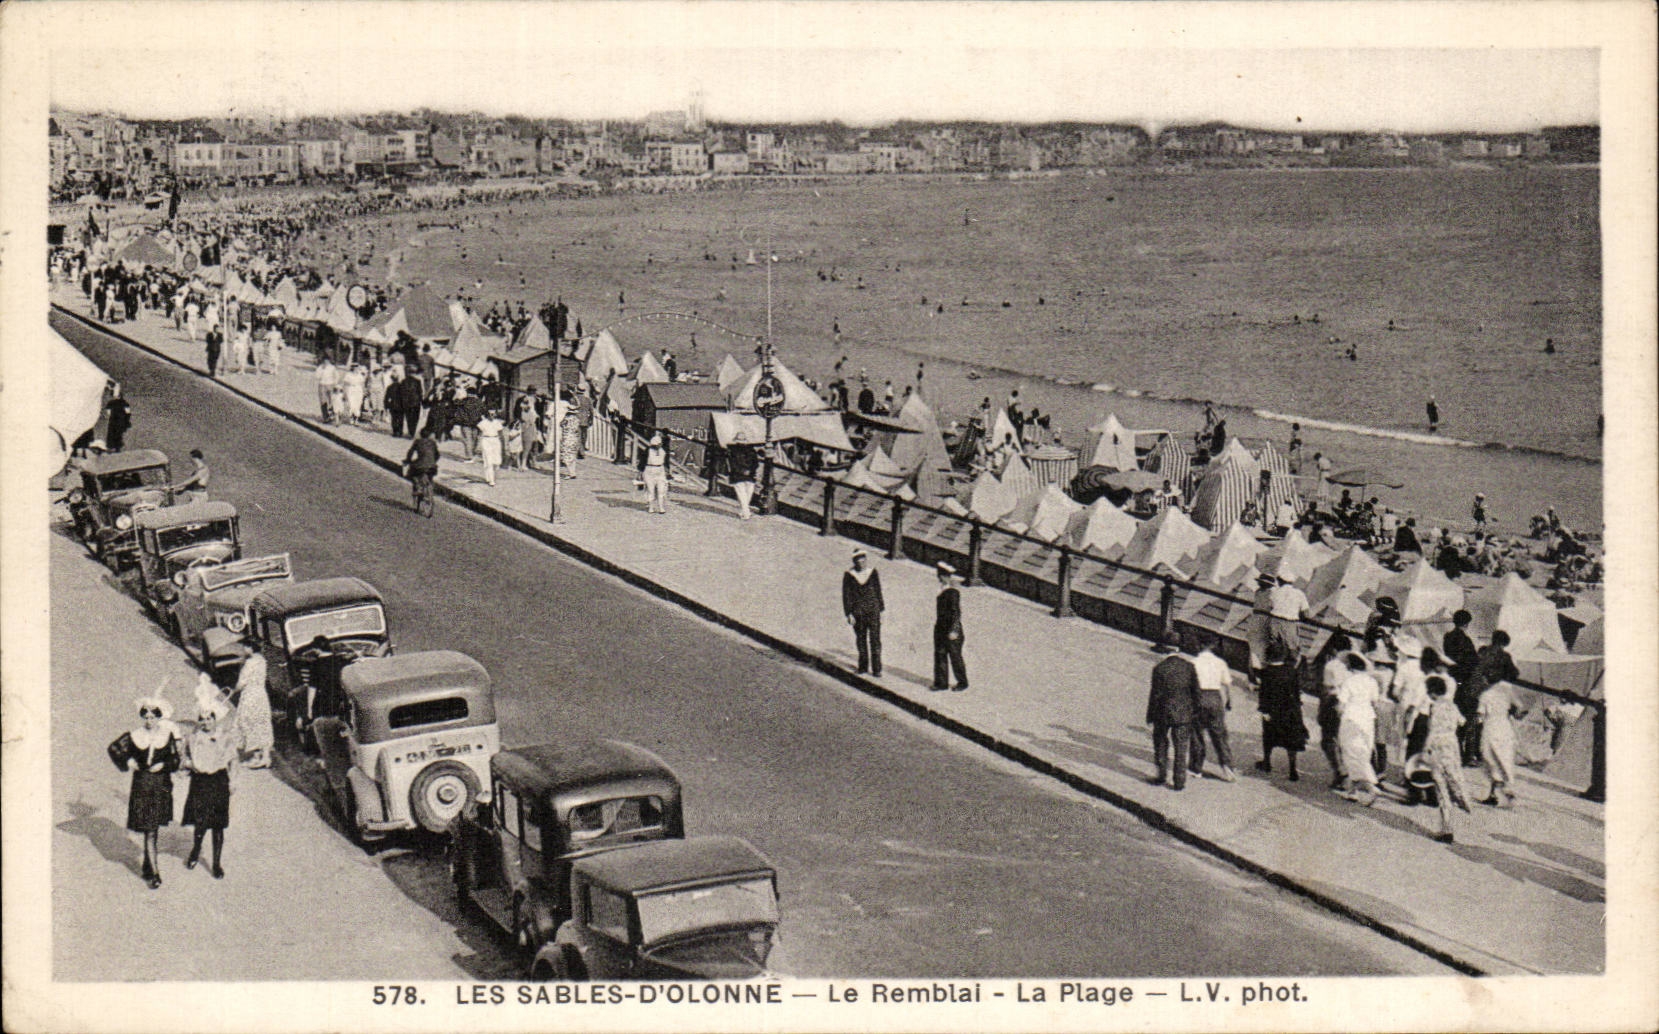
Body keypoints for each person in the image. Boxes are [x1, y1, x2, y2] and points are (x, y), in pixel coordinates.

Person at [107, 696, 182, 889]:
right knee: (149, 829)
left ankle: (149, 864)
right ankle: (155, 872)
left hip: (160, 785)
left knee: (153, 828)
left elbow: (175, 760)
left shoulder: (167, 736)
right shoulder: (135, 735)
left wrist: (164, 764)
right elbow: (114, 749)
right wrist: (128, 761)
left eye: (153, 717)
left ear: (159, 718)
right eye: (146, 717)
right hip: (142, 785)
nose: (149, 721)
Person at [182, 689, 239, 879]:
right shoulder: (193, 738)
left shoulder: (225, 737)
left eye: (209, 718)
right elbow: (184, 759)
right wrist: (189, 765)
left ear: (216, 719)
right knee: (200, 822)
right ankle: (195, 850)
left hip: (219, 781)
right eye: (203, 719)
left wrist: (233, 781)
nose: (206, 722)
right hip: (200, 782)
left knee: (218, 824)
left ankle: (216, 863)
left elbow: (234, 760)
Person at [1420, 675, 1472, 841]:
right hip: (1452, 744)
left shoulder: (1435, 707)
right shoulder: (1452, 705)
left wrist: (1425, 749)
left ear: (1433, 692)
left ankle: (1447, 828)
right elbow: (1462, 722)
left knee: (1440, 785)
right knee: (1453, 774)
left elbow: (1433, 730)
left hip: (1438, 746)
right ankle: (1461, 795)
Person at [1145, 633, 1200, 790]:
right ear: (1178, 648)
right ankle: (1179, 781)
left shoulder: (1159, 669)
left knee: (1161, 744)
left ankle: (1161, 776)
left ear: (1165, 649)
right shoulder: (1189, 667)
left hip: (1162, 713)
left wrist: (1150, 715)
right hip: (1183, 714)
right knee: (1181, 748)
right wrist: (1194, 713)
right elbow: (1196, 692)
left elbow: (1154, 695)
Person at [1334, 652, 1382, 805]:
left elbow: (1341, 705)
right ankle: (1352, 791)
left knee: (1351, 753)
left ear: (1351, 667)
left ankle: (1370, 786)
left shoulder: (1349, 681)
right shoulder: (1371, 682)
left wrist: (1337, 712)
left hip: (1351, 718)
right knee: (1363, 752)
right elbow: (1375, 702)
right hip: (1367, 719)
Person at [1188, 635, 1237, 782]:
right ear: (1213, 647)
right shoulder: (1220, 662)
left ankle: (1196, 768)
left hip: (1198, 697)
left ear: (1199, 645)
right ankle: (1227, 767)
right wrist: (1229, 701)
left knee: (1197, 734)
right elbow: (1227, 684)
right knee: (1219, 734)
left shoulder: (1193, 662)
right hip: (1215, 697)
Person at [1478, 674, 1524, 808]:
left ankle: (1499, 791)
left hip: (1491, 727)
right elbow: (1519, 707)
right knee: (1502, 760)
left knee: (1489, 760)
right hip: (1505, 727)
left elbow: (1480, 715)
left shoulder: (1486, 695)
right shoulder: (1507, 692)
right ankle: (1500, 791)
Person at [842, 549, 885, 676]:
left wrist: (882, 611)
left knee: (875, 640)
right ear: (854, 562)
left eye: (864, 560)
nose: (862, 563)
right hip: (858, 612)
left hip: (873, 611)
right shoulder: (849, 575)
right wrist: (849, 613)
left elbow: (878, 592)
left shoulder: (873, 573)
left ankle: (877, 669)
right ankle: (863, 667)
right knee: (861, 639)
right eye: (859, 561)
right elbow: (846, 596)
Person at [232, 650, 273, 769]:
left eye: (245, 646)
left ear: (250, 647)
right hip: (261, 695)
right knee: (262, 723)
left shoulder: (249, 663)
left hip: (250, 696)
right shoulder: (262, 661)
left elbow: (241, 683)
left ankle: (256, 756)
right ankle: (265, 756)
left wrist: (235, 690)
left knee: (249, 723)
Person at [931, 562, 968, 691]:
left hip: (952, 631)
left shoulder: (952, 592)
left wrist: (954, 630)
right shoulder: (943, 589)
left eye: (941, 575)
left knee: (955, 657)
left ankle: (962, 682)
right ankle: (941, 683)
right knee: (940, 655)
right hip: (941, 628)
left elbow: (956, 613)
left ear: (946, 576)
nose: (939, 578)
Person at [728, 444, 758, 520]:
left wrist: (745, 470)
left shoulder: (733, 451)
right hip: (745, 475)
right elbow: (756, 464)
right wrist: (748, 470)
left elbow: (733, 464)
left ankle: (744, 511)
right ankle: (745, 512)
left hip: (742, 475)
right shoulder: (751, 450)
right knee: (745, 494)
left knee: (744, 495)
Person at [476, 407, 505, 486]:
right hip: (486, 440)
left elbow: (501, 434)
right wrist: (477, 446)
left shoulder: (497, 422)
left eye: (493, 414)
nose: (492, 416)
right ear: (487, 414)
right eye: (490, 414)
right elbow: (479, 435)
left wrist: (504, 447)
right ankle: (491, 480)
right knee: (488, 460)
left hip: (496, 440)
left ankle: (489, 475)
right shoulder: (483, 423)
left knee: (497, 462)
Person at [642, 432, 670, 514]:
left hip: (660, 470)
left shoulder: (663, 451)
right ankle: (651, 507)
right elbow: (643, 461)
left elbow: (666, 461)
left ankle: (661, 507)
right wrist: (640, 471)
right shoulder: (648, 450)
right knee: (650, 490)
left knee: (661, 490)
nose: (656, 447)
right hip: (649, 470)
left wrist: (667, 470)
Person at [105, 387, 132, 452]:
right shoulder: (124, 403)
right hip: (120, 420)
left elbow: (108, 412)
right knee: (118, 434)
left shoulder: (111, 403)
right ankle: (117, 447)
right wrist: (127, 420)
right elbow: (128, 413)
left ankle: (111, 447)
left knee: (112, 433)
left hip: (113, 420)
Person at [314, 355, 339, 422]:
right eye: (324, 360)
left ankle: (333, 415)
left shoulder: (332, 368)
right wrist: (322, 371)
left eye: (327, 360)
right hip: (322, 385)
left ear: (329, 361)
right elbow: (317, 376)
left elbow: (336, 376)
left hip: (330, 385)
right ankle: (325, 417)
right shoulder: (320, 368)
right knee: (323, 401)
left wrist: (335, 384)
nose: (326, 362)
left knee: (332, 401)